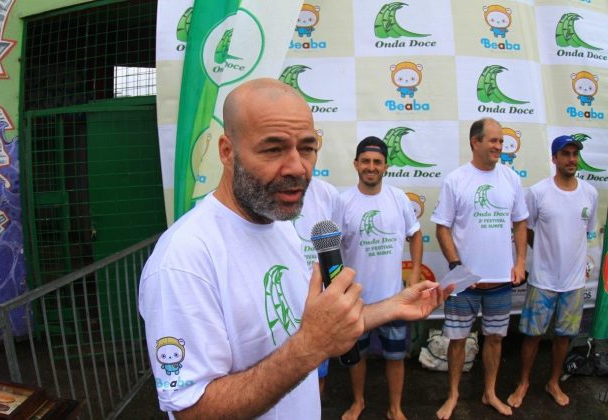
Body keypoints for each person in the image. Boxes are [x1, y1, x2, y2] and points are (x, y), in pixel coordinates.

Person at [139, 78, 452, 419]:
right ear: (227, 152)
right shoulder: (184, 260)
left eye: (306, 148)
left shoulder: (280, 226)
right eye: (273, 149)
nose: (297, 168)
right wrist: (311, 346)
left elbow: (305, 327)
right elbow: (191, 411)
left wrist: (392, 307)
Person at [431, 117, 528, 419]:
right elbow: (442, 229)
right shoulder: (456, 180)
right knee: (457, 340)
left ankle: (489, 393)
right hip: (464, 283)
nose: (499, 146)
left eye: (501, 141)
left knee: (496, 338)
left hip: (501, 279)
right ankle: (453, 395)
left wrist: (521, 261)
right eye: (494, 141)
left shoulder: (511, 178)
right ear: (475, 142)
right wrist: (457, 267)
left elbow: (521, 222)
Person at [507, 135, 598, 408]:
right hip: (543, 280)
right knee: (532, 336)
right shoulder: (538, 192)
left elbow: (586, 231)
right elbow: (526, 230)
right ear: (554, 158)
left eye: (574, 154)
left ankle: (553, 382)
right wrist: (545, 255)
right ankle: (523, 382)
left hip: (573, 284)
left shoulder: (590, 193)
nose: (571, 159)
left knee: (563, 337)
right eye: (565, 154)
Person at [339, 136, 423, 420]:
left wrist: (414, 273)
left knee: (396, 358)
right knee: (356, 357)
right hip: (356, 301)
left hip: (394, 300)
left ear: (386, 166)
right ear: (356, 164)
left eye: (377, 162)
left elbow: (416, 234)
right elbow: (332, 251)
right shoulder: (343, 202)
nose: (371, 167)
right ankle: (358, 402)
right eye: (365, 161)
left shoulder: (398, 198)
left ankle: (395, 408)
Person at [292, 176, 341, 396]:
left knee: (318, 375)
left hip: (317, 306)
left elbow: (337, 240)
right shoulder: (265, 192)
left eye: (308, 148)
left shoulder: (328, 193)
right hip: (282, 303)